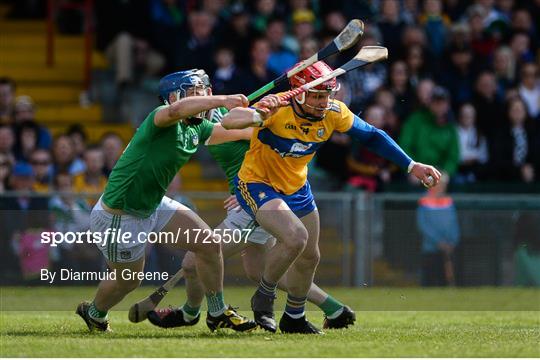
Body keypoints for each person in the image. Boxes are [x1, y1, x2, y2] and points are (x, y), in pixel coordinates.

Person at [221, 61, 441, 333]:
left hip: (297, 187)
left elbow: (372, 136)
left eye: (327, 95)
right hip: (257, 184)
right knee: (296, 238)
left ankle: (294, 317)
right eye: (316, 95)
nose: (323, 101)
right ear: (299, 94)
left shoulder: (333, 112)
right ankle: (264, 297)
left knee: (310, 256)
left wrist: (412, 165)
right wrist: (258, 114)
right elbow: (229, 121)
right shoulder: (277, 110)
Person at [76, 69, 261, 333]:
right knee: (128, 280)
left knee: (208, 244)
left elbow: (241, 132)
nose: (203, 98)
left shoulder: (197, 129)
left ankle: (217, 311)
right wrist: (222, 100)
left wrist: (264, 117)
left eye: (204, 92)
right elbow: (177, 111)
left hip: (153, 205)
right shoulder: (160, 117)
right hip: (119, 216)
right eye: (195, 93)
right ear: (173, 97)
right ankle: (94, 313)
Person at [148, 100, 356, 332]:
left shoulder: (227, 118)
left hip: (257, 198)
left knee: (194, 262)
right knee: (257, 270)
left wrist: (251, 189)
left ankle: (190, 313)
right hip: (251, 195)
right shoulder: (202, 123)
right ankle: (335, 309)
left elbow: (273, 141)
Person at [417, 173, 460, 286]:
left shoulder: (448, 201)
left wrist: (452, 242)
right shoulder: (424, 201)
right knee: (429, 281)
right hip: (430, 249)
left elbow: (454, 224)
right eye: (438, 184)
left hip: (448, 249)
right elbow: (423, 225)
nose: (441, 187)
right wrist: (438, 242)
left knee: (446, 281)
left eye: (443, 184)